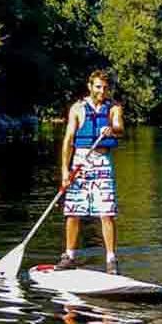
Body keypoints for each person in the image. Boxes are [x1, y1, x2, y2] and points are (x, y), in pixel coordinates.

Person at [57, 70, 126, 274]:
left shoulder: (114, 107)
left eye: (105, 87)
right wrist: (64, 171)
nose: (102, 91)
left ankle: (111, 260)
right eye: (98, 86)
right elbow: (68, 140)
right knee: (73, 211)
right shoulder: (77, 108)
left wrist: (111, 130)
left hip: (102, 161)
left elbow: (119, 127)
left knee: (107, 212)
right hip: (80, 160)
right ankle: (69, 256)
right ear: (90, 86)